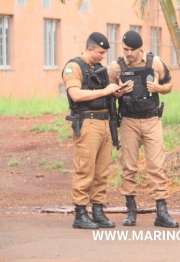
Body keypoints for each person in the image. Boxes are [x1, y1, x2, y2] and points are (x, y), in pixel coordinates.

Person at [108, 30, 179, 228]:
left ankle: (161, 212)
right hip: (129, 121)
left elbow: (169, 85)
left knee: (156, 166)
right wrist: (119, 92)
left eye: (132, 50)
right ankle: (131, 211)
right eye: (125, 50)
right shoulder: (116, 67)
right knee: (128, 166)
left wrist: (158, 88)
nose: (128, 54)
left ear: (140, 49)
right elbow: (107, 92)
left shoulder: (155, 62)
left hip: (151, 120)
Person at [62, 32, 122, 229]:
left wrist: (115, 92)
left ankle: (97, 210)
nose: (102, 56)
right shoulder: (74, 67)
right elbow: (76, 94)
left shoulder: (98, 69)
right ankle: (80, 213)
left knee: (101, 171)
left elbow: (104, 95)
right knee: (85, 168)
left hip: (105, 123)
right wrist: (105, 91)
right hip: (88, 123)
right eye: (100, 52)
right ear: (89, 49)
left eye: (104, 53)